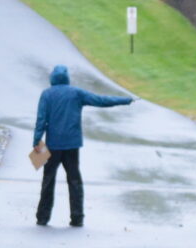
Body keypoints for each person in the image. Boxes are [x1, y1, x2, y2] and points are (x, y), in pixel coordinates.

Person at [32, 64, 133, 227]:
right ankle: (77, 217)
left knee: (48, 181)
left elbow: (41, 120)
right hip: (72, 145)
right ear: (67, 78)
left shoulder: (46, 94)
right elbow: (101, 100)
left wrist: (36, 141)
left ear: (52, 78)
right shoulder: (76, 93)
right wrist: (125, 100)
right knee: (74, 181)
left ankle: (42, 217)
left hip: (52, 145)